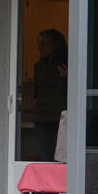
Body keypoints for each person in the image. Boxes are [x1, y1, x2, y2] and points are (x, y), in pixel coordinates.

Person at [31, 28, 67, 160]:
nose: (40, 48)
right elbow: (36, 92)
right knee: (46, 155)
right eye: (38, 45)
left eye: (44, 44)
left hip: (59, 117)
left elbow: (74, 92)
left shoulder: (65, 64)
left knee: (60, 156)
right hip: (41, 117)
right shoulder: (38, 66)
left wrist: (68, 78)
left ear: (55, 45)